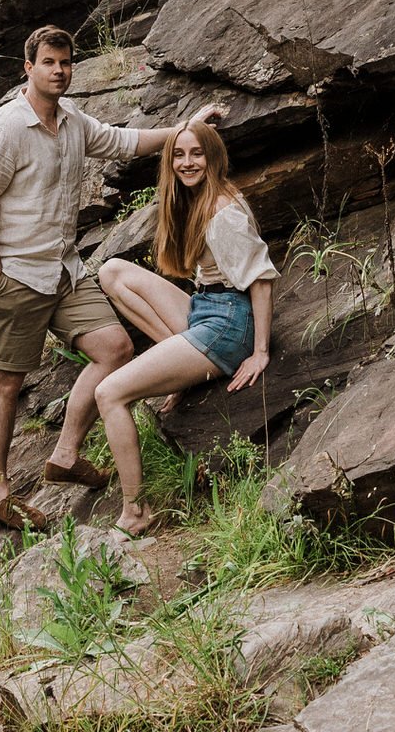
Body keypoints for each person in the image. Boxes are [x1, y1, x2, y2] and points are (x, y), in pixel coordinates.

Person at [0, 24, 222, 531]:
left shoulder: (73, 121)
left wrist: (186, 131)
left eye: (65, 62)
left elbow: (126, 142)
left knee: (115, 349)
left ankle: (65, 453)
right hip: (14, 275)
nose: (59, 71)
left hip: (63, 270)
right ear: (28, 68)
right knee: (6, 382)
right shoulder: (7, 128)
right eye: (49, 63)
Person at [94, 119, 275, 535]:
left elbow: (261, 277)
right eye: (178, 154)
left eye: (197, 153)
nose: (187, 162)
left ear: (212, 157)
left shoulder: (222, 211)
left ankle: (135, 512)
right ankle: (180, 363)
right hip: (207, 306)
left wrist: (260, 351)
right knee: (113, 272)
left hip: (229, 324)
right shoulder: (192, 198)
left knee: (110, 394)